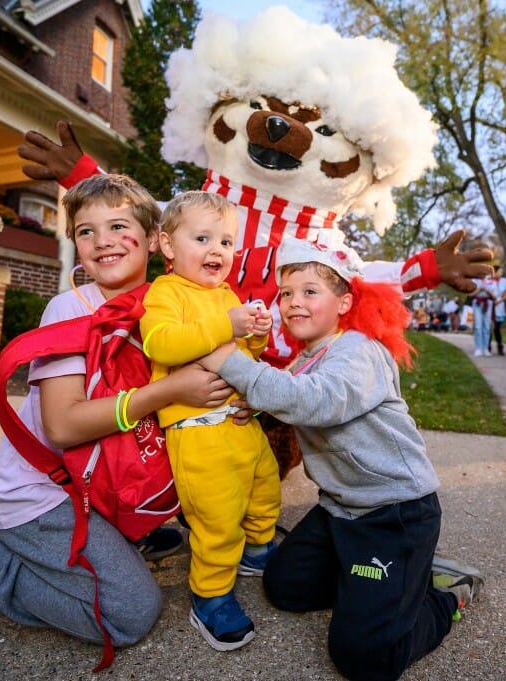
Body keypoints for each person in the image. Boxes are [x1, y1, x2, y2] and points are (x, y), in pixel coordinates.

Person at [0, 175, 236, 654]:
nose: (102, 241)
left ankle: (119, 535)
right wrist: (165, 391)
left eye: (118, 225)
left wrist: (234, 403)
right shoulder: (71, 310)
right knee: (130, 613)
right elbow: (62, 425)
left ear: (154, 238)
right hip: (41, 493)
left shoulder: (170, 304)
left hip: (100, 484)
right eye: (85, 231)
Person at [198, 237, 484, 681]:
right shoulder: (308, 357)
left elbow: (318, 401)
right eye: (286, 293)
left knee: (364, 658)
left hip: (394, 513)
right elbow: (287, 389)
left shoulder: (358, 350)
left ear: (344, 301)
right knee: (285, 588)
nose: (294, 303)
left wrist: (226, 358)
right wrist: (254, 403)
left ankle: (443, 595)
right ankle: (383, 586)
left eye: (310, 291)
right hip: (340, 509)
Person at [139, 191, 280, 651]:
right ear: (167, 245)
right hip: (198, 433)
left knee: (265, 491)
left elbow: (237, 353)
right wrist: (229, 326)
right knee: (217, 520)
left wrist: (255, 338)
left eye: (226, 241)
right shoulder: (166, 292)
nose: (217, 250)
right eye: (202, 238)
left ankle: (258, 552)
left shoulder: (226, 295)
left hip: (241, 423)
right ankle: (211, 596)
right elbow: (163, 344)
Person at [469, 271, 495, 356]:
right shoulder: (474, 281)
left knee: (486, 326)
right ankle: (478, 348)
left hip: (488, 303)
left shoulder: (491, 281)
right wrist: (479, 289)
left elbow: (495, 296)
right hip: (477, 302)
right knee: (478, 326)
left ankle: (486, 348)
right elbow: (470, 294)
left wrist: (487, 290)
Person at [486, 267, 506, 355]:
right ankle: (487, 346)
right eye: (499, 272)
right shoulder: (488, 281)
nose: (500, 274)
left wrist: (499, 301)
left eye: (502, 272)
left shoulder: (504, 281)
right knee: (489, 327)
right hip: (490, 304)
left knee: (497, 328)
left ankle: (500, 346)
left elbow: (505, 294)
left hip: (499, 304)